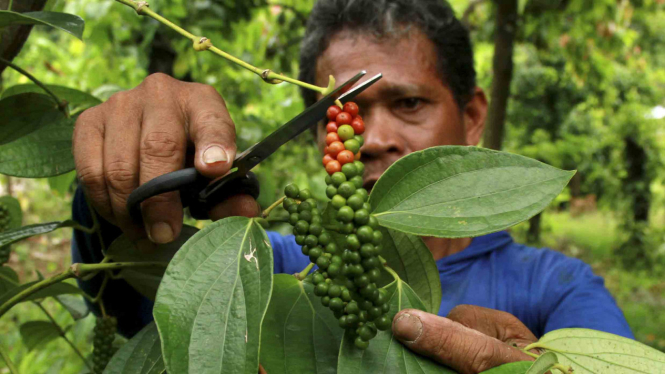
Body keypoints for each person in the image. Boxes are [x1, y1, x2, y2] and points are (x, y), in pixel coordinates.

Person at [70, 0, 633, 372]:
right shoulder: (270, 267)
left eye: (409, 102)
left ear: (474, 114)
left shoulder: (555, 288)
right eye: (342, 114)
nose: (370, 138)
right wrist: (117, 185)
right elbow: (134, 291)